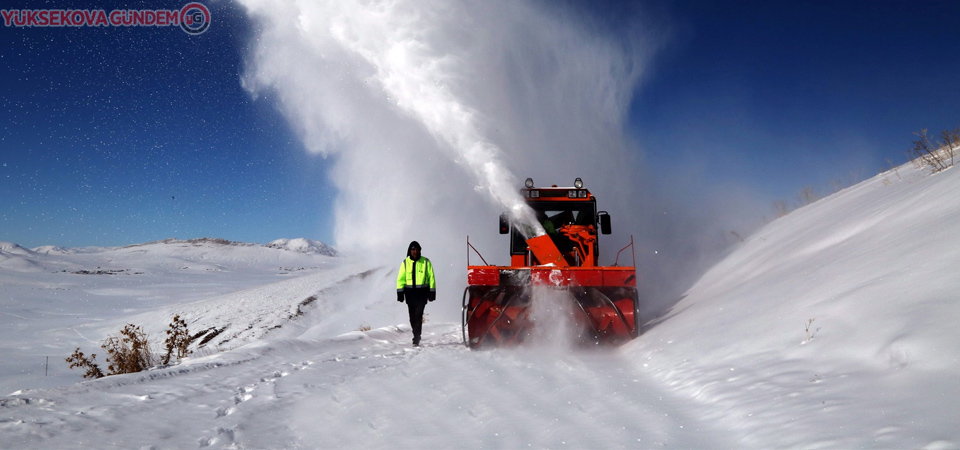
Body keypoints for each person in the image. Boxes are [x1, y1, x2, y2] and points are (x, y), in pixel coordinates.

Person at [396, 241, 436, 346]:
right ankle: (416, 333)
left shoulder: (426, 262)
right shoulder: (405, 263)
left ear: (419, 250)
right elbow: (401, 279)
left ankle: (416, 337)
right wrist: (400, 293)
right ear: (410, 251)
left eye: (417, 249)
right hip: (410, 294)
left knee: (418, 316)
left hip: (422, 294)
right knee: (412, 317)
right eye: (413, 249)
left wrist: (432, 293)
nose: (415, 251)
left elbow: (431, 278)